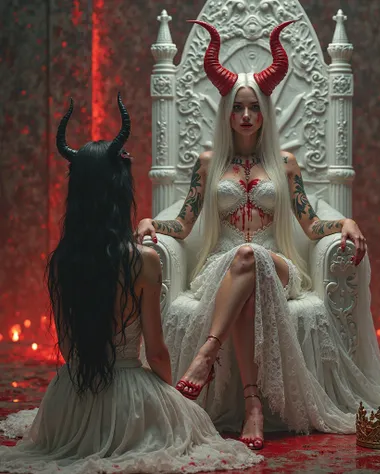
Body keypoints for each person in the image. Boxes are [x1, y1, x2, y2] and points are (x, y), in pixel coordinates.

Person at [136, 21, 380, 449]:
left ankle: (207, 353)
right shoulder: (207, 163)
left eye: (253, 108)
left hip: (276, 265)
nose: (245, 116)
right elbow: (184, 223)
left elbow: (311, 224)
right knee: (244, 270)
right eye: (238, 108)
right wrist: (151, 223)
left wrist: (346, 223)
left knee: (252, 257)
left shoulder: (285, 163)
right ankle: (253, 405)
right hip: (221, 268)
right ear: (227, 114)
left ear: (265, 113)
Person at [0, 94, 262, 473]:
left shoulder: (60, 262)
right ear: (120, 191)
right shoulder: (143, 260)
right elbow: (156, 352)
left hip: (72, 393)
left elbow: (69, 346)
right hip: (131, 395)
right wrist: (171, 399)